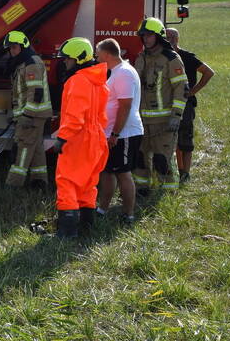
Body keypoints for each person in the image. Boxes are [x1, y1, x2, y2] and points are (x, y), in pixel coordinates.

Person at [51, 38, 109, 238]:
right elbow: (102, 117)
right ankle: (86, 227)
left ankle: (67, 233)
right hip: (96, 139)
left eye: (67, 60)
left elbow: (75, 118)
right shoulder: (99, 82)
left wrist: (62, 139)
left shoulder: (76, 81)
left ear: (78, 59)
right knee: (87, 184)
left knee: (67, 181)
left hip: (78, 139)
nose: (65, 63)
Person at [133, 17, 188, 191]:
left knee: (162, 159)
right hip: (141, 121)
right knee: (140, 159)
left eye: (149, 35)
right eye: (143, 36)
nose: (146, 39)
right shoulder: (141, 57)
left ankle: (168, 192)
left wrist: (176, 116)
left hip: (164, 122)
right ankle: (142, 190)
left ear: (159, 36)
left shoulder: (171, 59)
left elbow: (182, 89)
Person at [95, 38, 143, 223]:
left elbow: (125, 105)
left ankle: (128, 214)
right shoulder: (115, 72)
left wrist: (115, 133)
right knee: (107, 172)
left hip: (124, 133)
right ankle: (102, 209)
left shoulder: (123, 73)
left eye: (98, 54)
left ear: (107, 54)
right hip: (112, 133)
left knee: (123, 173)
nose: (97, 58)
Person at [3, 30, 52, 188]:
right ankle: (39, 183)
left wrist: (27, 115)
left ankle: (13, 184)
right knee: (36, 148)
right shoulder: (23, 62)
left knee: (23, 148)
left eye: (14, 47)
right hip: (31, 114)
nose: (12, 51)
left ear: (23, 46)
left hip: (32, 115)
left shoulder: (31, 63)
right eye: (10, 48)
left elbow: (35, 92)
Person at [165, 27, 215, 183]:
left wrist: (193, 91)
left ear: (177, 39)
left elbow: (209, 72)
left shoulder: (188, 57)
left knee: (185, 139)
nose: (169, 40)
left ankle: (185, 174)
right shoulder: (163, 58)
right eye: (167, 37)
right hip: (168, 103)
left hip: (186, 105)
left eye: (172, 37)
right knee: (173, 139)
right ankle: (178, 171)